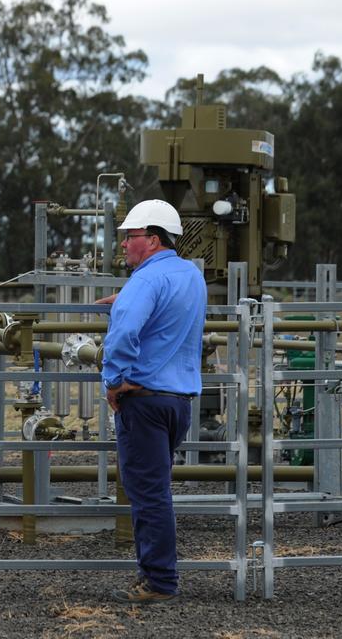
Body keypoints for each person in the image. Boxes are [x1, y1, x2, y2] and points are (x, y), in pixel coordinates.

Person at [95, 199, 206, 603]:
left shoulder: (144, 282)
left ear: (153, 240)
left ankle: (158, 581)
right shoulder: (192, 276)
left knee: (148, 493)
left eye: (131, 236)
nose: (124, 243)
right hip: (179, 402)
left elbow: (124, 336)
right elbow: (168, 314)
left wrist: (112, 381)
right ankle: (157, 575)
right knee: (155, 489)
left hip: (142, 400)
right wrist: (124, 298)